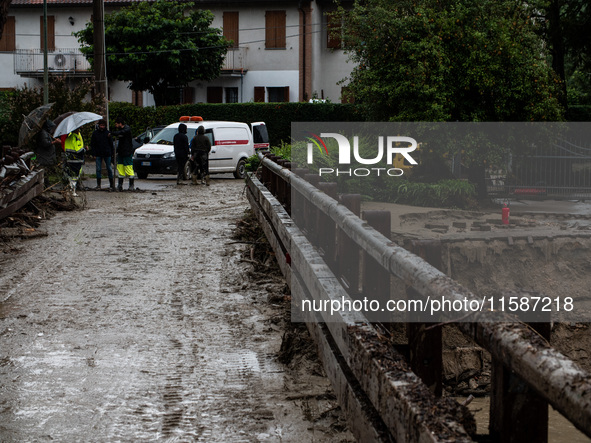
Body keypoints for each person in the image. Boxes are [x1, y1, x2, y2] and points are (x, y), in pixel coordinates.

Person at [90, 119, 115, 191]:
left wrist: (112, 153)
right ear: (99, 125)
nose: (102, 127)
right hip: (98, 153)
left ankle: (111, 184)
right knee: (98, 169)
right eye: (101, 125)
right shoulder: (95, 133)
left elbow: (111, 144)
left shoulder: (108, 133)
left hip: (107, 153)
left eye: (103, 125)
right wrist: (94, 153)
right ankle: (98, 185)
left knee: (109, 168)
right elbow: (93, 144)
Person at [111, 116, 135, 191]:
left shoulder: (127, 129)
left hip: (127, 152)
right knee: (120, 168)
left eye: (116, 124)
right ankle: (120, 185)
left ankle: (131, 185)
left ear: (120, 123)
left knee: (128, 168)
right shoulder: (120, 130)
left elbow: (122, 132)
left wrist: (113, 133)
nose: (115, 125)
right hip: (121, 152)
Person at [34, 120, 62, 186]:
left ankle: (46, 185)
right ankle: (44, 185)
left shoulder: (46, 133)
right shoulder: (43, 133)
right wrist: (54, 142)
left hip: (47, 157)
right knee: (44, 172)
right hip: (44, 157)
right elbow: (45, 143)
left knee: (46, 172)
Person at [63, 129, 85, 195]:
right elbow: (78, 150)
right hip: (75, 160)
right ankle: (73, 191)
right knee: (75, 176)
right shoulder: (75, 137)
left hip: (69, 159)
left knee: (69, 175)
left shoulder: (68, 137)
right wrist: (85, 149)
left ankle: (70, 189)